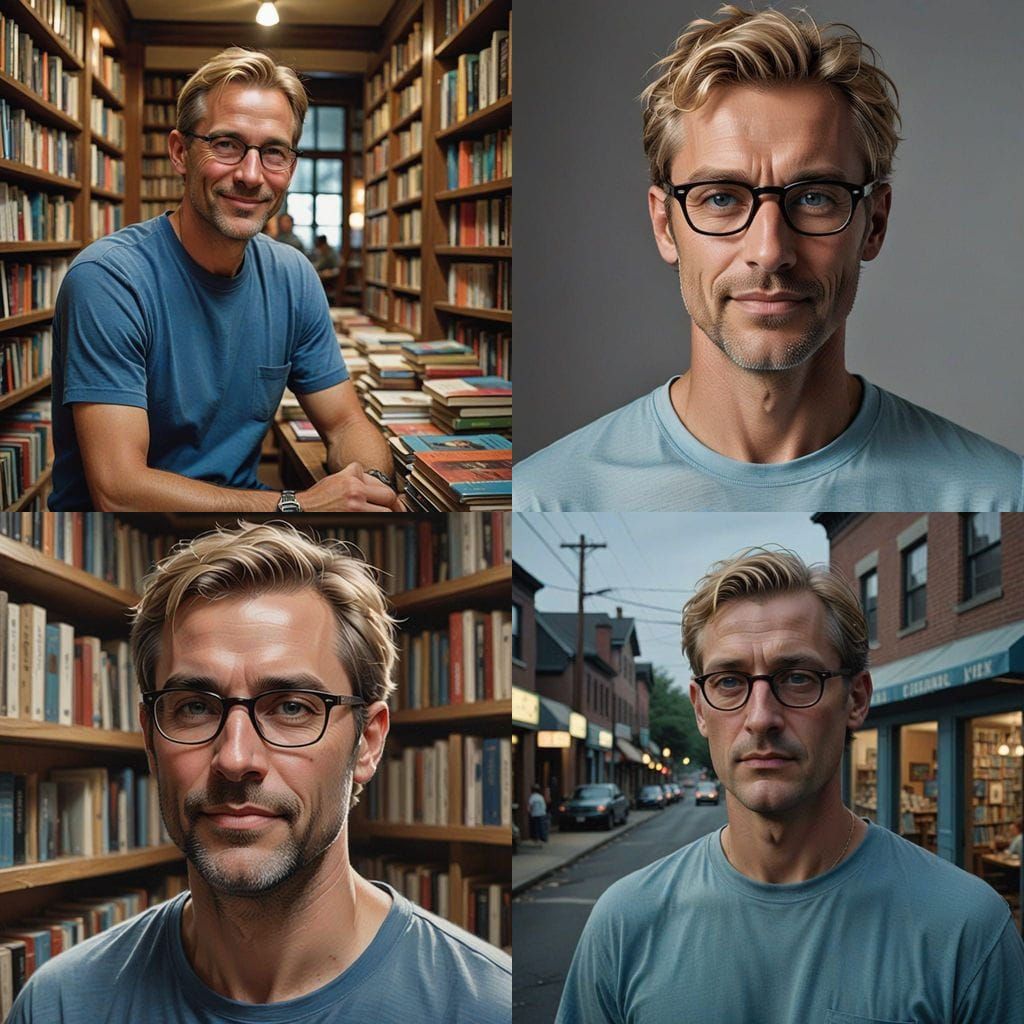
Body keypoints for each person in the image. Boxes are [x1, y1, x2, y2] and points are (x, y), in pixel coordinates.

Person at [514, 6, 1023, 511]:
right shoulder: (545, 499)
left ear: (875, 223)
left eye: (816, 197)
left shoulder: (1001, 494)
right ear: (665, 225)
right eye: (720, 198)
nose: (770, 251)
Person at [6, 521, 511, 1023]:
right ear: (150, 738)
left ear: (367, 743)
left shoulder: (488, 1006)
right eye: (195, 708)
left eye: (292, 707)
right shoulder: (61, 1004)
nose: (236, 758)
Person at [556, 548, 1024, 1023]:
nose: (760, 718)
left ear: (856, 700)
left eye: (798, 678)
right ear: (700, 708)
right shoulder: (624, 923)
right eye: (729, 681)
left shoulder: (967, 930)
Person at [49, 48, 402, 512]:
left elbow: (346, 424)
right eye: (227, 145)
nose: (251, 175)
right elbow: (119, 490)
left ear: (290, 168)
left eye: (273, 152)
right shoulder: (110, 280)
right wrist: (298, 505)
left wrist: (368, 486)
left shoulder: (293, 277)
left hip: (242, 525)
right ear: (180, 152)